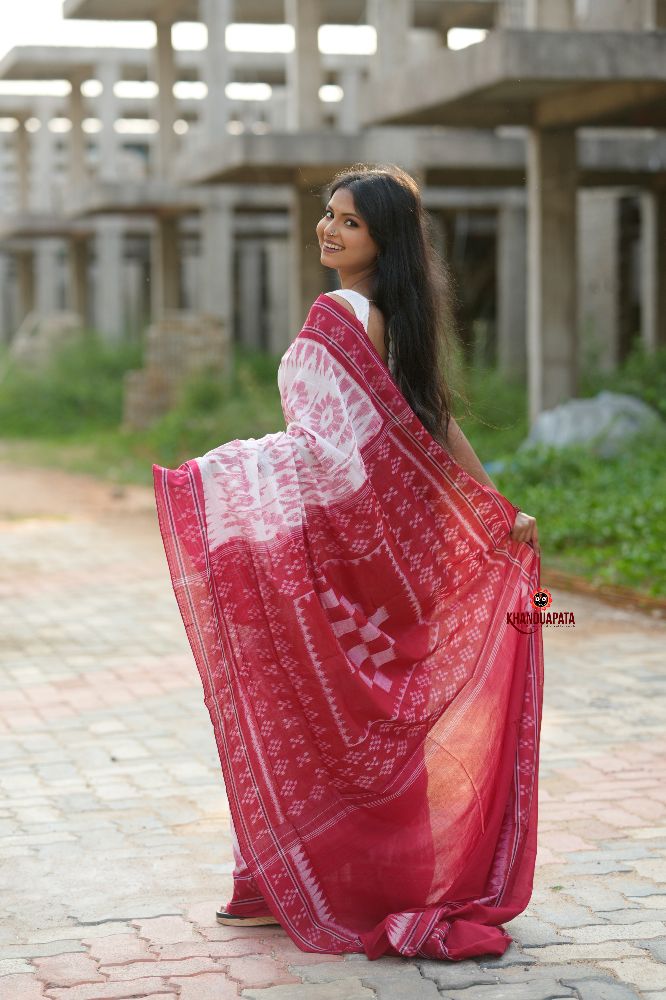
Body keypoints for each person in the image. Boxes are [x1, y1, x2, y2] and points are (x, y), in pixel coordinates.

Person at [153, 163, 544, 962]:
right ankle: (344, 876)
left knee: (298, 705)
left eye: (350, 222)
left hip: (329, 549)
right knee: (343, 716)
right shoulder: (388, 321)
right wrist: (496, 503)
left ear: (384, 238)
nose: (330, 230)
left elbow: (344, 445)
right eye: (328, 215)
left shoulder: (344, 312)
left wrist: (230, 477)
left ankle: (298, 881)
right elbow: (424, 424)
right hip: (360, 546)